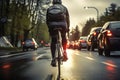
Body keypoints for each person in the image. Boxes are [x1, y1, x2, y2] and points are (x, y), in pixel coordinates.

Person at [46, 0, 70, 67]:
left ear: (53, 2)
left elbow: (47, 20)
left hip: (52, 25)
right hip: (62, 25)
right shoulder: (64, 8)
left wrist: (49, 28)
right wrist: (68, 28)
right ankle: (64, 51)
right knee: (63, 36)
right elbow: (68, 19)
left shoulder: (49, 8)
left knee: (53, 41)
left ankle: (53, 58)